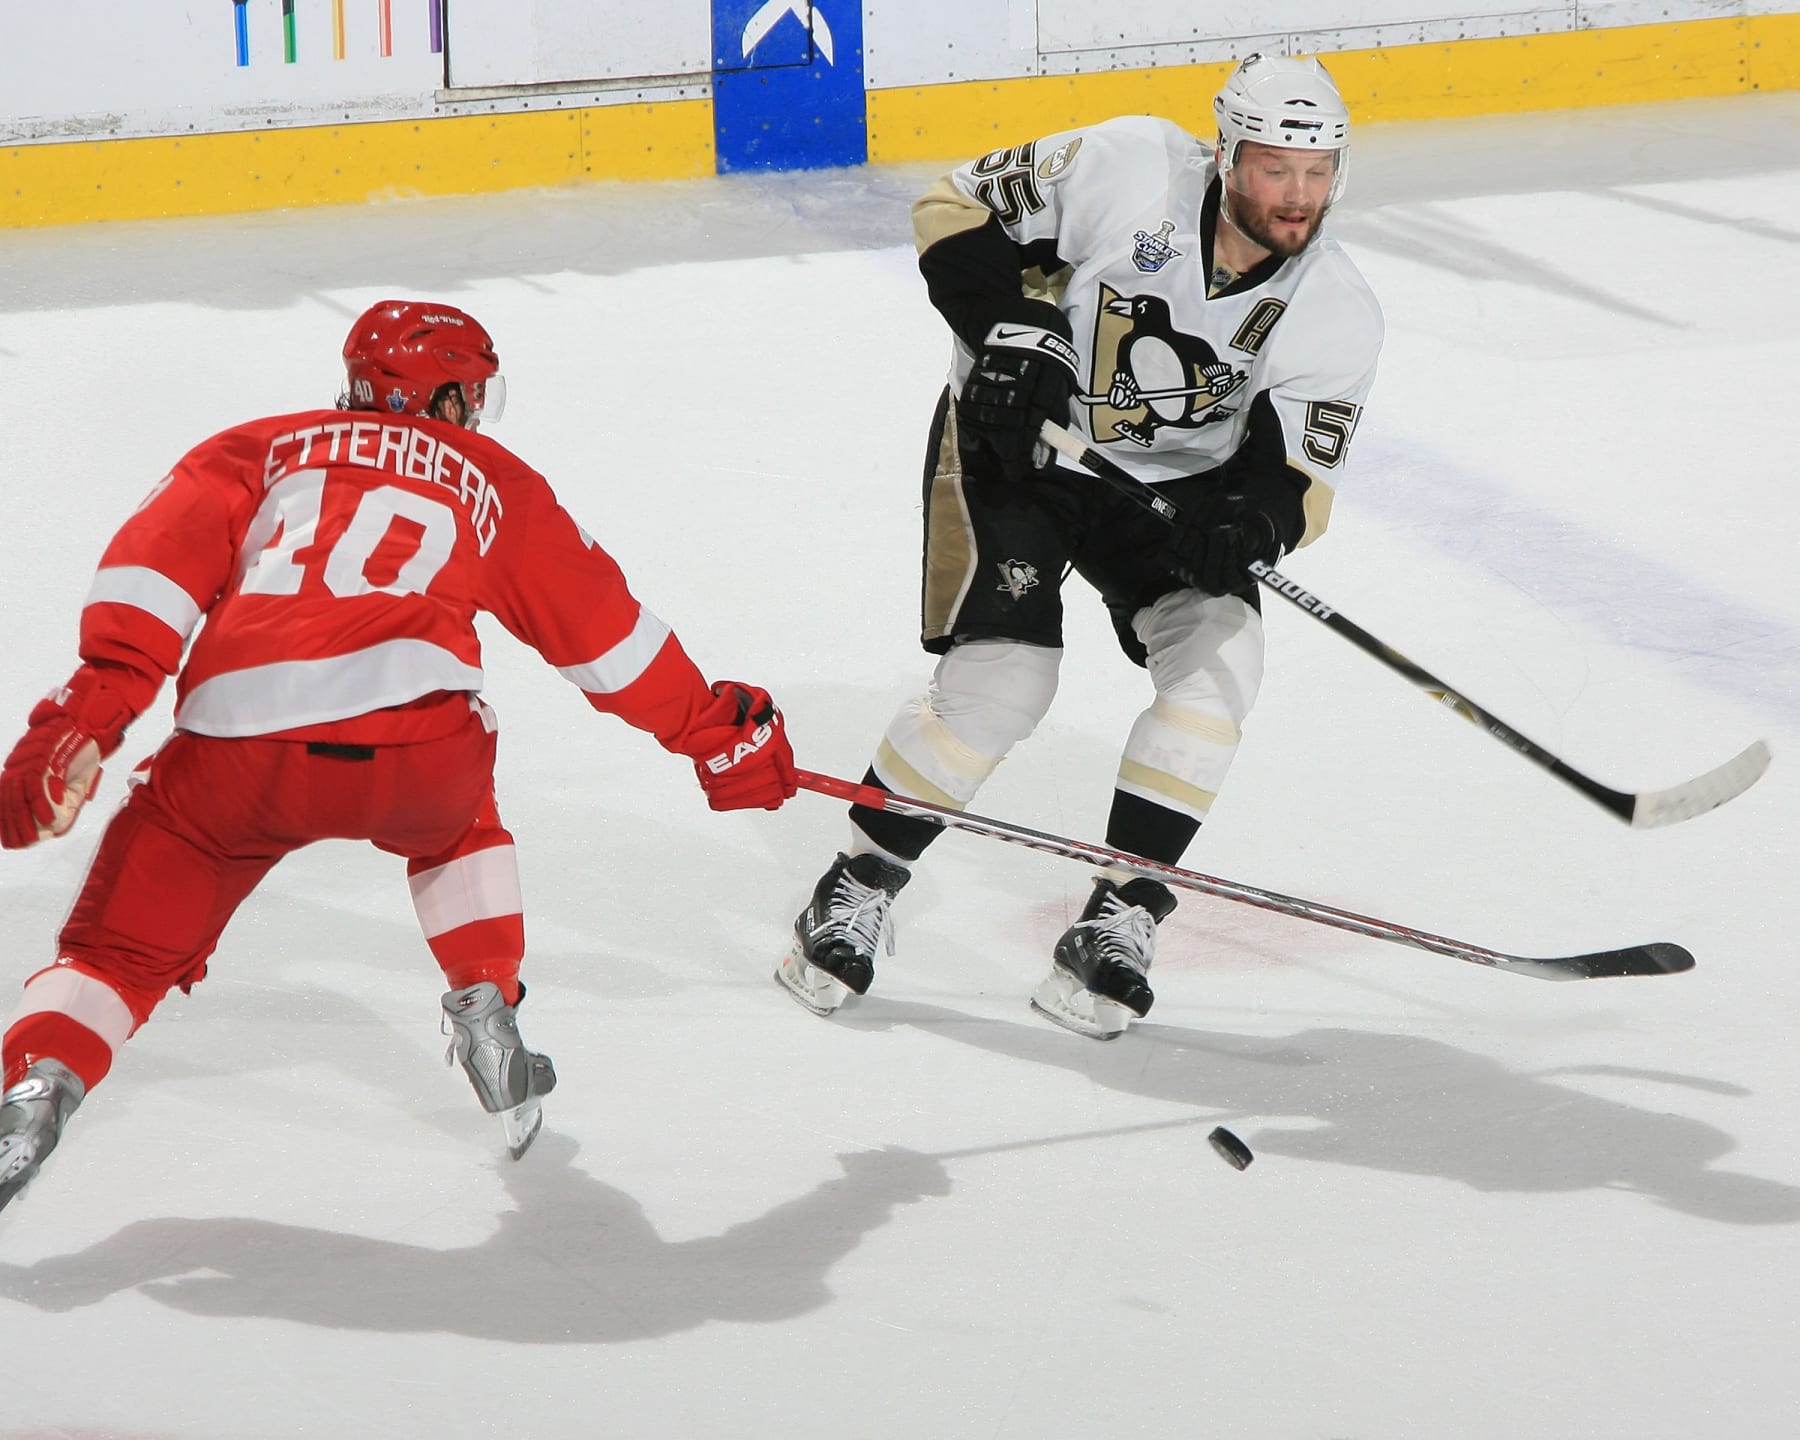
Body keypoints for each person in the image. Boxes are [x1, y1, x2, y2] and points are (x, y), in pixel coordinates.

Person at [0, 299, 798, 1213]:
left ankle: (39, 1085)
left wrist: (90, 715)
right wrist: (715, 731)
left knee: (115, 955)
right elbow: (608, 642)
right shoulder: (493, 479)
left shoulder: (251, 450)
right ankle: (487, 1005)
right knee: (460, 825)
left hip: (236, 755)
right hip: (420, 756)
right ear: (449, 400)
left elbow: (148, 583)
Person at [778, 53, 1383, 1039]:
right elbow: (951, 207)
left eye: (1317, 173)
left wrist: (1252, 524)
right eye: (1277, 168)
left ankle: (1118, 919)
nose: (1298, 196)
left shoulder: (1335, 303)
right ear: (1227, 155)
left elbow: (1297, 481)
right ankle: (855, 886)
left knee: (1222, 660)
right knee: (1006, 683)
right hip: (1019, 451)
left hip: (1164, 495)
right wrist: (1011, 329)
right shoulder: (1131, 165)